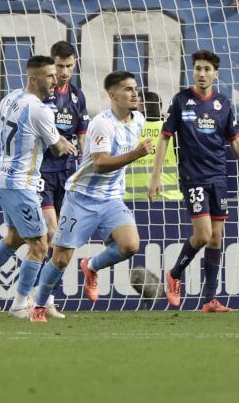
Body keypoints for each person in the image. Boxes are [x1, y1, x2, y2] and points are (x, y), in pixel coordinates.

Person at [29, 71, 155, 323]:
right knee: (61, 258)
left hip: (111, 199)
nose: (135, 93)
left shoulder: (139, 119)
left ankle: (92, 266)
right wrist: (137, 154)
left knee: (130, 245)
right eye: (128, 89)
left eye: (135, 89)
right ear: (112, 94)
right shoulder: (102, 123)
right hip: (82, 198)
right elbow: (100, 163)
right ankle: (39, 305)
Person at [148, 50, 239, 313]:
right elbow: (165, 138)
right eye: (198, 68)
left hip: (218, 178)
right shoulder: (181, 101)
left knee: (216, 239)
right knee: (203, 234)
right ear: (193, 71)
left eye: (207, 69)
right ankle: (175, 275)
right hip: (193, 177)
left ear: (215, 73)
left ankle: (210, 300)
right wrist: (156, 177)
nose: (201, 73)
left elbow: (235, 142)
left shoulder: (222, 103)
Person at [0, 55, 77, 317]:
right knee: (39, 244)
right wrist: (68, 145)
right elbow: (58, 148)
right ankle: (20, 305)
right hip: (20, 184)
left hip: (2, 178)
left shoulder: (10, 98)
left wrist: (13, 152)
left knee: (14, 237)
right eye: (49, 76)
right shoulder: (40, 110)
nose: (55, 80)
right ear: (33, 78)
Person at [33, 41, 88, 318]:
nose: (64, 72)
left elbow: (82, 135)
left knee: (60, 240)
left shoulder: (78, 97)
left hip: (67, 174)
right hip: (42, 173)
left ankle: (43, 296)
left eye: (68, 66)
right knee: (52, 234)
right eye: (59, 66)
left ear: (74, 64)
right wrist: (56, 142)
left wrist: (84, 164)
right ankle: (36, 296)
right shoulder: (43, 96)